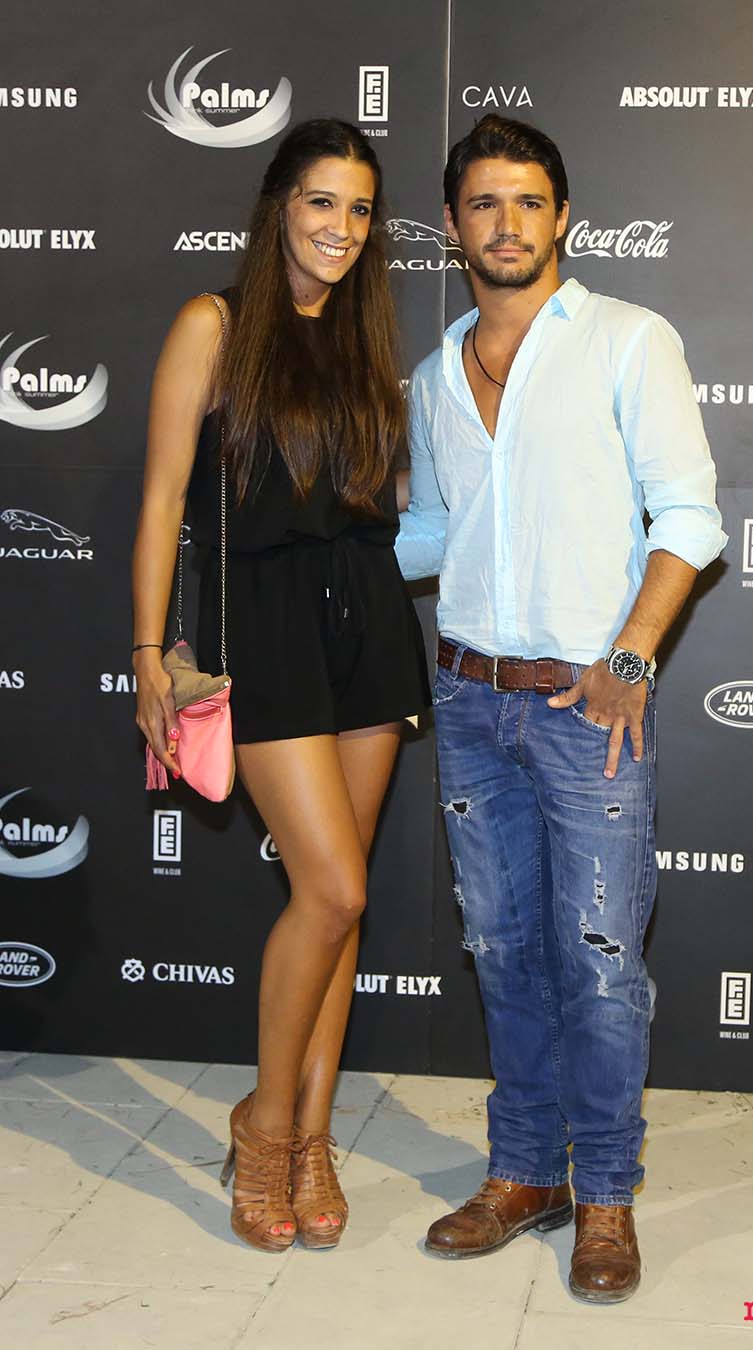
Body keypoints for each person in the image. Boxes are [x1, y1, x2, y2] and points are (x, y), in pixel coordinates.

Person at [396, 115, 726, 1303]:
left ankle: (607, 1196)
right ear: (452, 226)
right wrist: (307, 547)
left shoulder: (630, 340)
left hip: (590, 709)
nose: (507, 223)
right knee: (502, 950)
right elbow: (429, 535)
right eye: (484, 203)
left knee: (599, 960)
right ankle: (526, 1172)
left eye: (528, 201)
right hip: (468, 698)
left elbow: (689, 514)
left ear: (563, 218)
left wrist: (631, 655)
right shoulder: (433, 376)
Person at [132, 119, 429, 1253]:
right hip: (260, 632)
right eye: (321, 202)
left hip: (369, 630)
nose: (341, 228)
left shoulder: (363, 339)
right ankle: (263, 1129)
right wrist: (147, 654)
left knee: (339, 907)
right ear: (277, 207)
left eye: (359, 209)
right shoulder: (212, 325)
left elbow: (381, 508)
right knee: (334, 892)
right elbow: (163, 499)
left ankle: (311, 1137)